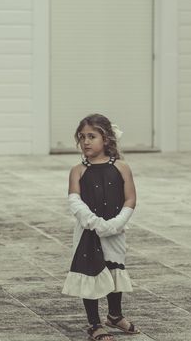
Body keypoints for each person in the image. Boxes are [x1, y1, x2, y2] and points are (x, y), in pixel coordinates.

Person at [61, 114, 140, 340]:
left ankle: (115, 315)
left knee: (114, 269)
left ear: (105, 139)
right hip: (89, 232)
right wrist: (95, 224)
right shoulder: (78, 170)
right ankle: (94, 323)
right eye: (82, 137)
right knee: (91, 273)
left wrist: (116, 223)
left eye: (91, 136)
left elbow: (131, 199)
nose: (86, 141)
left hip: (115, 230)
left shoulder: (122, 167)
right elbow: (74, 200)